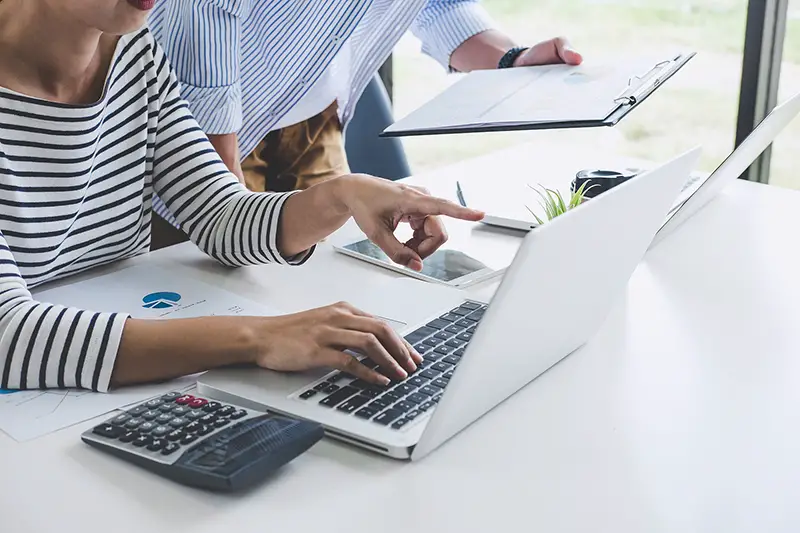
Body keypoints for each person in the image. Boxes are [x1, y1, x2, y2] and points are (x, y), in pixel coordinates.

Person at [0, 0, 485, 393]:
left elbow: (217, 213)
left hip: (89, 390)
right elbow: (7, 335)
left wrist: (341, 196)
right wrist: (257, 337)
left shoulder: (131, 49)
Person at [148, 1, 583, 192]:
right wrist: (218, 190)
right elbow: (203, 11)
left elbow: (440, 5)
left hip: (316, 123)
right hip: (203, 126)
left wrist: (511, 61)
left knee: (320, 293)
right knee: (200, 304)